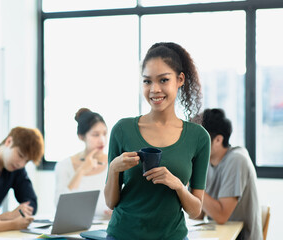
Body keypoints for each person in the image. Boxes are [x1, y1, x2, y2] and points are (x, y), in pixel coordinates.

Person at [104, 42, 211, 239]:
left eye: (163, 80)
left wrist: (178, 185)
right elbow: (110, 202)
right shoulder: (122, 129)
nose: (154, 89)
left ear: (180, 80)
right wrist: (113, 169)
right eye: (147, 81)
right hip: (122, 234)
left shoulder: (199, 137)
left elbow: (195, 210)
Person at [192, 108, 263, 240]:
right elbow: (197, 215)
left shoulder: (237, 159)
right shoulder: (205, 162)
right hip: (218, 235)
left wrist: (192, 182)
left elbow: (221, 216)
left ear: (218, 140)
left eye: (199, 140)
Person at [55, 108, 112, 219]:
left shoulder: (113, 164)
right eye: (95, 135)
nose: (102, 140)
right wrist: (81, 171)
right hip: (75, 227)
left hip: (107, 227)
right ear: (81, 137)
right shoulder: (64, 165)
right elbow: (59, 206)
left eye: (104, 134)